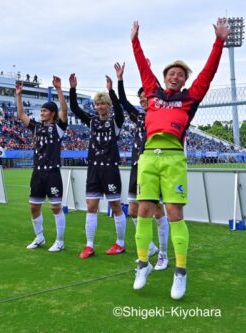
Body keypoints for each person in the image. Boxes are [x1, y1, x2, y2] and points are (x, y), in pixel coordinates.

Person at [130, 19, 230, 300]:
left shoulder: (190, 98)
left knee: (174, 213)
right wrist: (135, 41)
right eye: (171, 73)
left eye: (180, 75)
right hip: (148, 158)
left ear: (185, 80)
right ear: (164, 77)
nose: (175, 77)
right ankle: (142, 265)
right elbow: (142, 67)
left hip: (174, 159)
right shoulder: (152, 93)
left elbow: (208, 74)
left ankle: (180, 272)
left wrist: (219, 42)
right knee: (143, 211)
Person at [114, 61, 169, 270]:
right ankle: (150, 248)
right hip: (138, 166)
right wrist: (120, 79)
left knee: (157, 211)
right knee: (133, 211)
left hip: (155, 166)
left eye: (146, 96)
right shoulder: (138, 116)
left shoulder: (160, 114)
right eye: (141, 97)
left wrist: (148, 71)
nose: (143, 100)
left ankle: (163, 255)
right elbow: (122, 101)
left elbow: (158, 90)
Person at [69, 73, 126, 259]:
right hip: (94, 169)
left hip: (110, 169)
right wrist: (72, 89)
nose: (100, 106)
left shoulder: (116, 122)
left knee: (115, 205)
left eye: (103, 103)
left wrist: (112, 89)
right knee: (91, 206)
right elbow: (76, 109)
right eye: (98, 104)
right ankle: (89, 245)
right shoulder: (92, 121)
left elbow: (119, 110)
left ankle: (120, 243)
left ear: (108, 105)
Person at [17, 76, 68, 252]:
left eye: (45, 110)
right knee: (33, 207)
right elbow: (22, 115)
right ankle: (39, 237)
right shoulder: (37, 127)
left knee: (55, 208)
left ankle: (60, 241)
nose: (42, 112)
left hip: (53, 173)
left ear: (52, 113)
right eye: (42, 110)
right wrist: (19, 95)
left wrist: (59, 90)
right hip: (37, 173)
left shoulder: (59, 128)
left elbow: (64, 110)